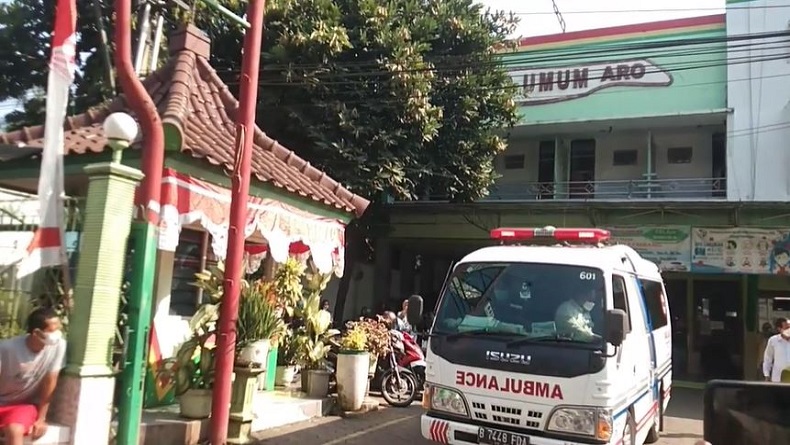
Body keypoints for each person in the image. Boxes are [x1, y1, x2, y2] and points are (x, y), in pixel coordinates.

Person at [0, 308, 67, 445]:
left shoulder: (59, 346)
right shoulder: (6, 349)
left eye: (58, 329)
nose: (57, 334)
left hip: (21, 406)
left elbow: (50, 381)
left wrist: (41, 418)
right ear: (36, 333)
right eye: (52, 331)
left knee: (15, 430)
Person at [762, 317, 790, 383]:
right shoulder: (773, 340)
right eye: (786, 328)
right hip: (777, 379)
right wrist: (767, 375)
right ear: (779, 329)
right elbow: (768, 358)